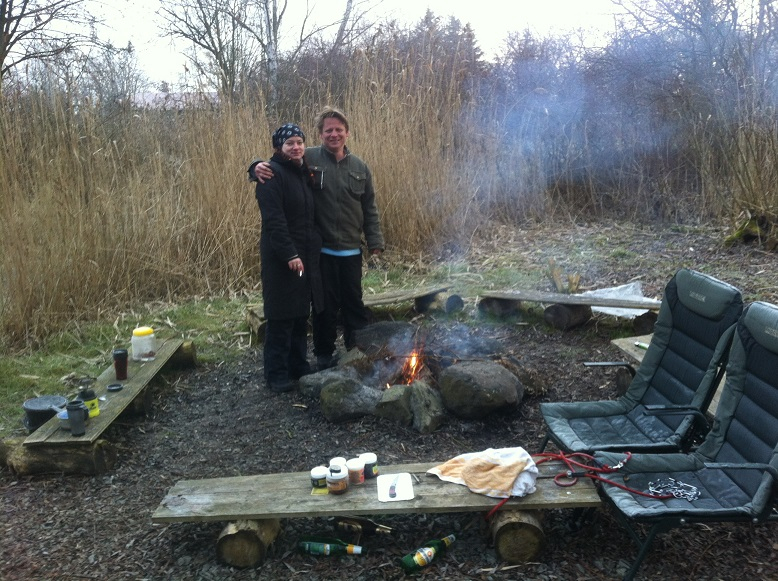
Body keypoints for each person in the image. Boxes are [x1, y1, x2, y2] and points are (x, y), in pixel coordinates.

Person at [249, 107, 384, 371]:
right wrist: (255, 167)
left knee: (354, 303)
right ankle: (324, 354)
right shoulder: (307, 157)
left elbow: (370, 207)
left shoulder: (360, 167)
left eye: (339, 130)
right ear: (320, 134)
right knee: (324, 307)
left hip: (351, 250)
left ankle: (358, 351)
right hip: (321, 251)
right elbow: (277, 163)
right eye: (328, 130)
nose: (334, 135)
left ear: (347, 133)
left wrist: (375, 242)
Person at [254, 123, 323, 393]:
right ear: (278, 147)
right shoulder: (271, 174)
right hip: (281, 257)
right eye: (289, 143)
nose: (296, 147)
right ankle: (276, 374)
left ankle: (298, 365)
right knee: (281, 315)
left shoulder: (302, 172)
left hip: (305, 254)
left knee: (299, 313)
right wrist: (289, 254)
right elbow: (274, 221)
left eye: (299, 142)